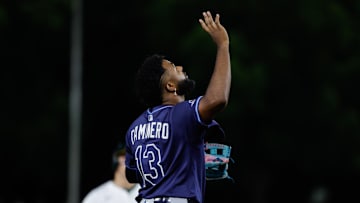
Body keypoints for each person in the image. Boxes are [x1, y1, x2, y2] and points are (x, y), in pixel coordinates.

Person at [125, 11, 231, 203]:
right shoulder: (181, 114)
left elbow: (132, 174)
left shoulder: (134, 128)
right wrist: (223, 45)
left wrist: (180, 159)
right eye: (173, 67)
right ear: (170, 86)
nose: (180, 68)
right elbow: (217, 99)